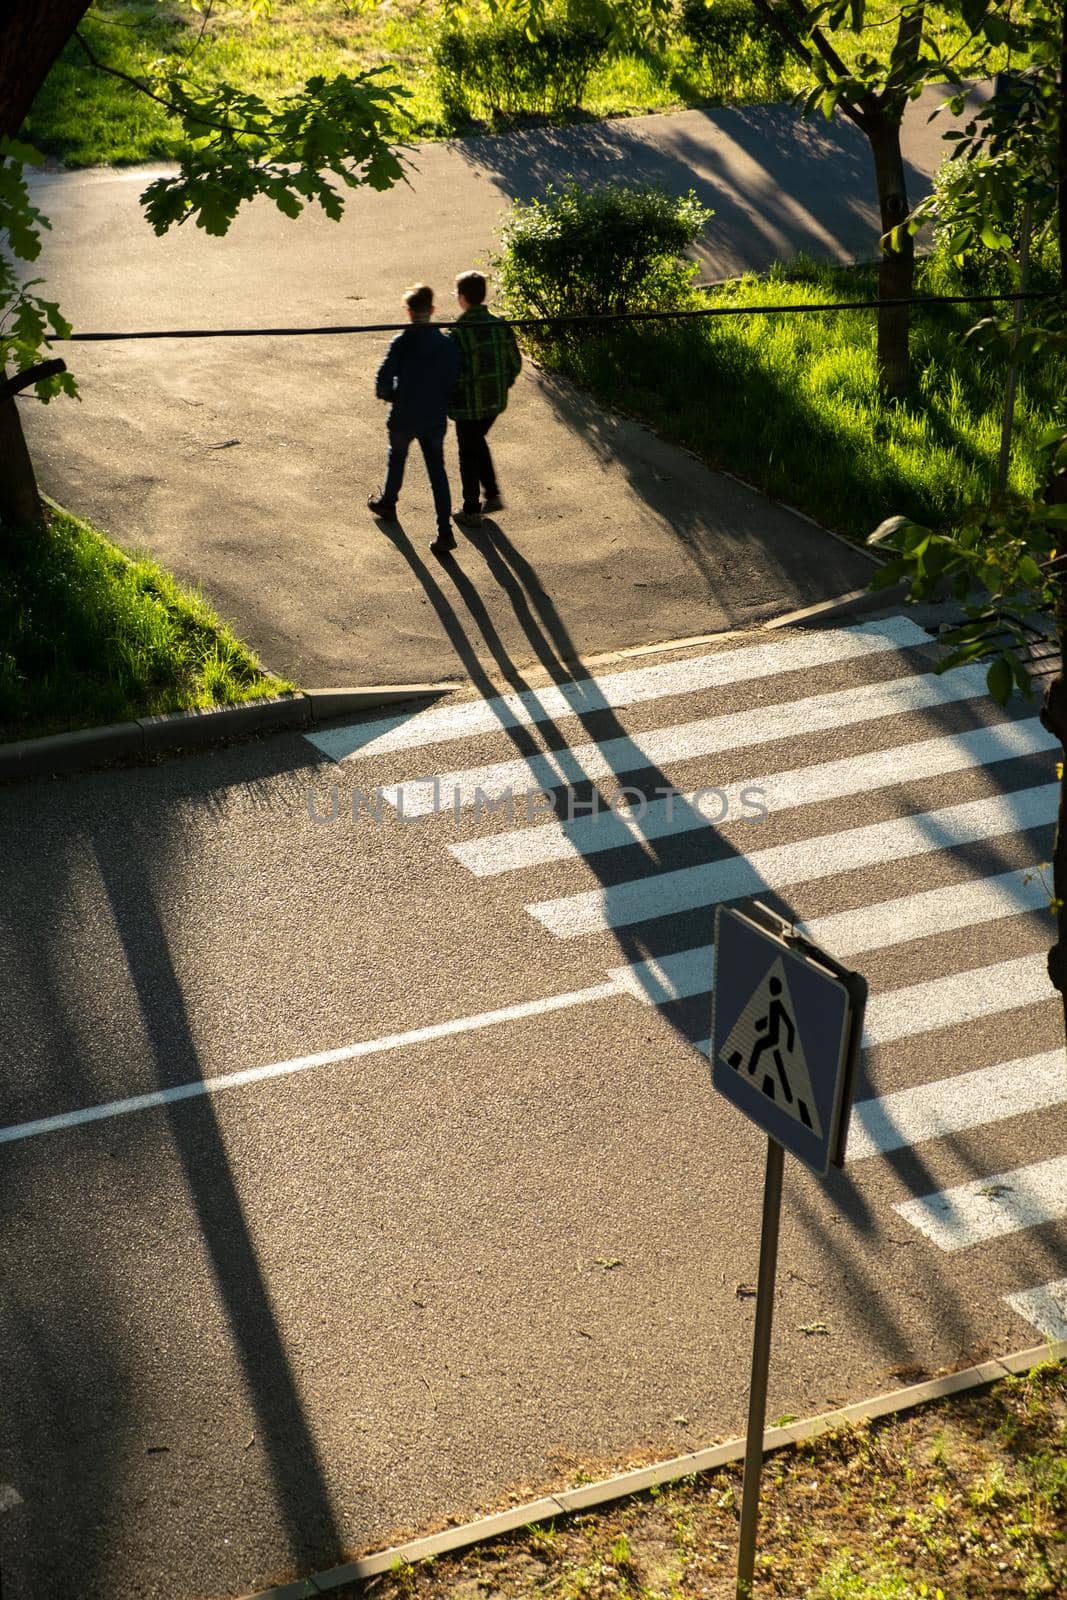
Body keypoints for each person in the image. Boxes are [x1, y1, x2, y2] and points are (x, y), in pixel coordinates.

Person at [368, 283, 460, 556]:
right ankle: (445, 531)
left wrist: (392, 395)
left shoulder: (402, 343)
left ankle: (389, 502)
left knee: (397, 456)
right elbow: (454, 379)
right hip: (433, 417)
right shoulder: (446, 345)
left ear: (408, 312)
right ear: (432, 310)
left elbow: (383, 381)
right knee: (437, 472)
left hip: (404, 414)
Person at [447, 270, 522, 528]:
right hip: (495, 403)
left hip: (468, 405)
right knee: (477, 442)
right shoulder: (500, 326)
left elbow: (453, 373)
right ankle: (492, 494)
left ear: (463, 298)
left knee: (468, 452)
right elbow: (514, 364)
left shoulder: (458, 333)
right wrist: (502, 384)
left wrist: (449, 398)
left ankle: (471, 508)